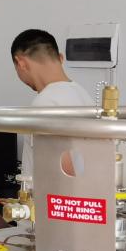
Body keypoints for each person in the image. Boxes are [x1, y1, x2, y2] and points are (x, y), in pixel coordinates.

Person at [10, 29, 94, 176]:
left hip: (51, 191)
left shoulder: (44, 104)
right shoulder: (84, 95)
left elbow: (65, 174)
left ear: (21, 63)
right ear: (60, 58)